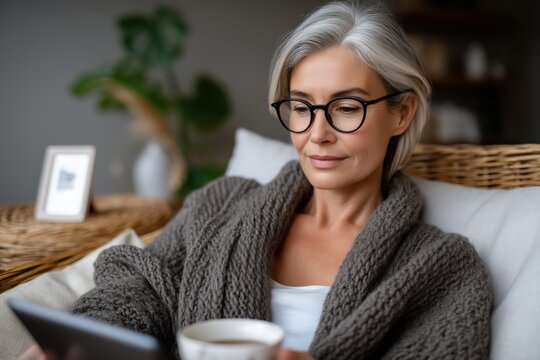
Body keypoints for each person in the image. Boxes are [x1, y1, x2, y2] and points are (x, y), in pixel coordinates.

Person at [23, 1, 491, 359]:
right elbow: (138, 287)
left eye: (347, 107)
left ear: (402, 113)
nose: (317, 134)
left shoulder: (441, 267)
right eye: (302, 107)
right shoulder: (222, 205)